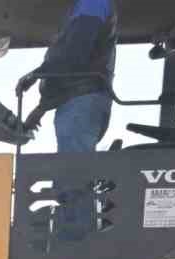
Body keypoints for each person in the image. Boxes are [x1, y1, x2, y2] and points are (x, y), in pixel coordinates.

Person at [15, 0, 118, 153]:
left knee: (74, 166)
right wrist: (37, 74)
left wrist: (41, 107)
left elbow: (73, 57)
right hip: (82, 100)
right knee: (75, 164)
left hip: (80, 101)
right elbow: (69, 55)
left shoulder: (92, 3)